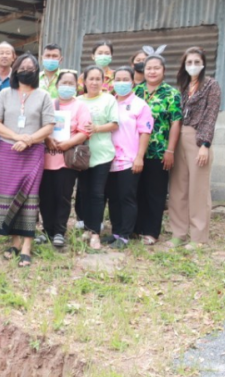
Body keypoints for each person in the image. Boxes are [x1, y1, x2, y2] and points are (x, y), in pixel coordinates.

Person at [0, 53, 55, 267]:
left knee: (29, 197)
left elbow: (49, 126)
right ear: (15, 70)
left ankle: (27, 245)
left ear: (37, 72)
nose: (27, 69)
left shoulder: (44, 95)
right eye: (23, 66)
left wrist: (29, 140)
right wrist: (17, 137)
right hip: (8, 151)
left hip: (33, 152)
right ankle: (14, 242)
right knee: (8, 196)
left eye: (31, 67)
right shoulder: (5, 94)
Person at [168, 46, 221, 247]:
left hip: (198, 138)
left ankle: (198, 238)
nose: (193, 66)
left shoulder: (211, 86)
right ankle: (178, 233)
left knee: (198, 189)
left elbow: (210, 115)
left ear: (204, 64)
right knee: (178, 188)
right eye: (189, 62)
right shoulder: (182, 87)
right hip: (178, 136)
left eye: (196, 62)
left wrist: (205, 144)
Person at [38, 71, 91, 249]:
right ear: (57, 85)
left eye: (71, 83)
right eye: (64, 83)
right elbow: (40, 126)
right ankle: (47, 231)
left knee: (63, 197)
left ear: (76, 86)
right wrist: (47, 139)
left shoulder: (81, 106)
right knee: (45, 197)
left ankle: (60, 231)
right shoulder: (49, 104)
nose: (67, 86)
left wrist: (68, 144)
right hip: (45, 158)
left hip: (66, 160)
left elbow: (85, 131)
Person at [134, 53, 182, 245]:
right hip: (134, 151)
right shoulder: (135, 91)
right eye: (148, 68)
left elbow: (176, 123)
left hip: (158, 151)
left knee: (155, 192)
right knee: (136, 190)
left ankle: (151, 231)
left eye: (156, 68)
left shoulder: (171, 94)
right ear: (143, 71)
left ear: (164, 71)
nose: (152, 71)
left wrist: (170, 150)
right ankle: (135, 228)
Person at [105, 67, 153, 250]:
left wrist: (139, 157)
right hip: (109, 158)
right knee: (113, 198)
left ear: (133, 82)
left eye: (126, 79)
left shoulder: (140, 105)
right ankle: (116, 232)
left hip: (129, 159)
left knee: (127, 197)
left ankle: (125, 235)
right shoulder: (109, 102)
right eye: (118, 79)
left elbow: (145, 132)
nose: (121, 83)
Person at [75, 66, 120, 249]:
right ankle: (87, 227)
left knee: (97, 193)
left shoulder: (109, 99)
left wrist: (97, 129)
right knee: (83, 192)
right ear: (84, 81)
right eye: (90, 79)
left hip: (102, 153)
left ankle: (95, 233)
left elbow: (114, 124)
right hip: (81, 155)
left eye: (97, 79)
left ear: (103, 81)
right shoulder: (77, 101)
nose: (94, 82)